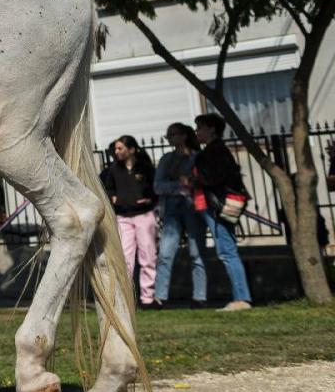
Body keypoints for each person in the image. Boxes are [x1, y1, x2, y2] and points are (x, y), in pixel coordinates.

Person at [194, 113, 253, 311]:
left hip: (219, 206)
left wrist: (194, 180)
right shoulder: (213, 150)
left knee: (227, 251)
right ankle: (240, 296)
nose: (197, 132)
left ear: (211, 129)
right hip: (216, 205)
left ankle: (241, 298)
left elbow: (217, 177)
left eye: (200, 127)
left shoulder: (215, 151)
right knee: (227, 251)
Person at [100, 135, 159, 307]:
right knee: (125, 258)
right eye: (116, 149)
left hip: (144, 216)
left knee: (147, 256)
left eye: (120, 148)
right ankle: (126, 298)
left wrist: (149, 199)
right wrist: (113, 198)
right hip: (123, 217)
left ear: (131, 149)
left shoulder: (146, 168)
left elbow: (155, 189)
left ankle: (147, 298)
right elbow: (108, 188)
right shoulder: (113, 169)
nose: (116, 152)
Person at [154, 122, 208, 307]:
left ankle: (199, 297)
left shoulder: (197, 157)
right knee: (165, 253)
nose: (169, 139)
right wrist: (180, 185)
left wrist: (187, 185)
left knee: (197, 253)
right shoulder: (166, 159)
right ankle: (160, 297)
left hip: (193, 208)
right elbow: (158, 186)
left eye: (172, 134)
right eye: (168, 136)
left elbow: (201, 181)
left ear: (183, 136)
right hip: (171, 210)